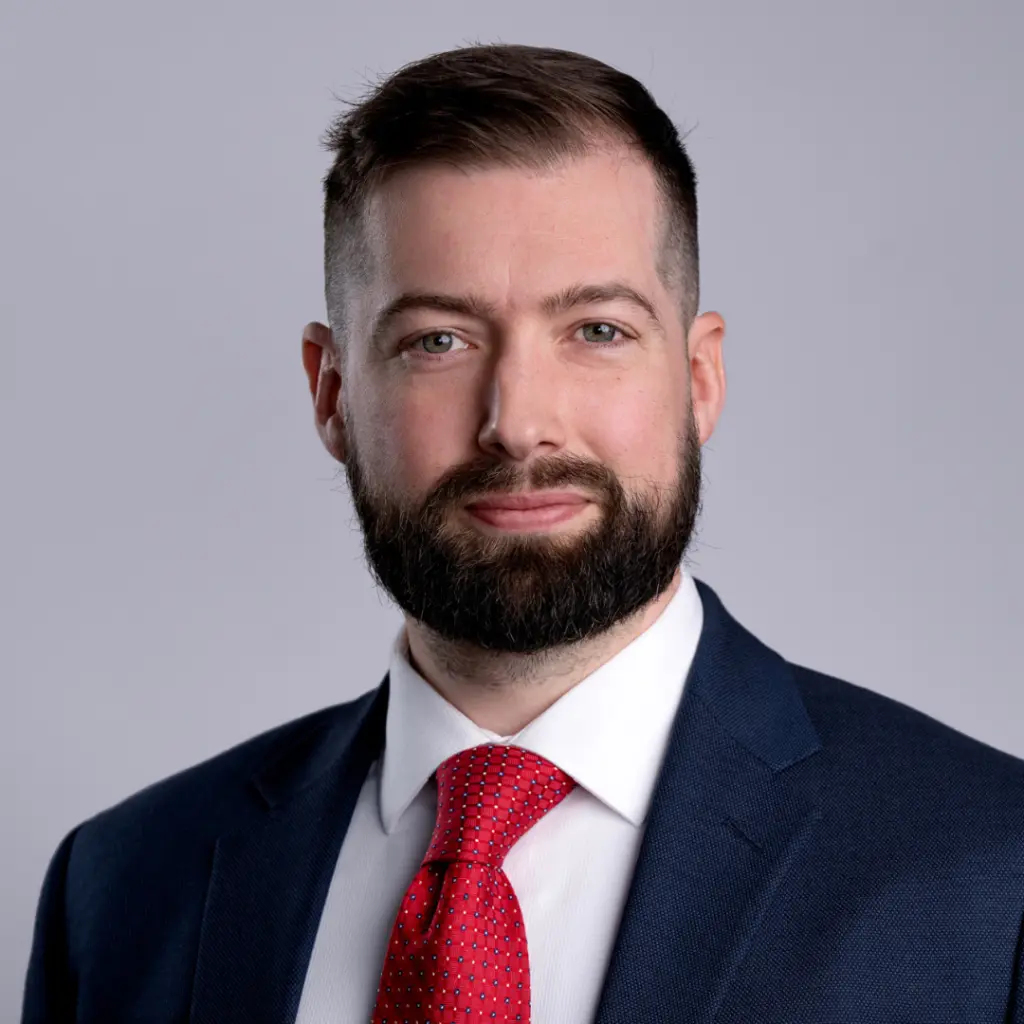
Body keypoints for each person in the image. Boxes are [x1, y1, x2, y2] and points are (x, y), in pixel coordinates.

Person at [21, 42, 1024, 1024]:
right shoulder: (123, 889)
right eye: (437, 340)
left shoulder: (991, 871)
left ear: (698, 376)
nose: (518, 420)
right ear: (330, 394)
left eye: (596, 329)